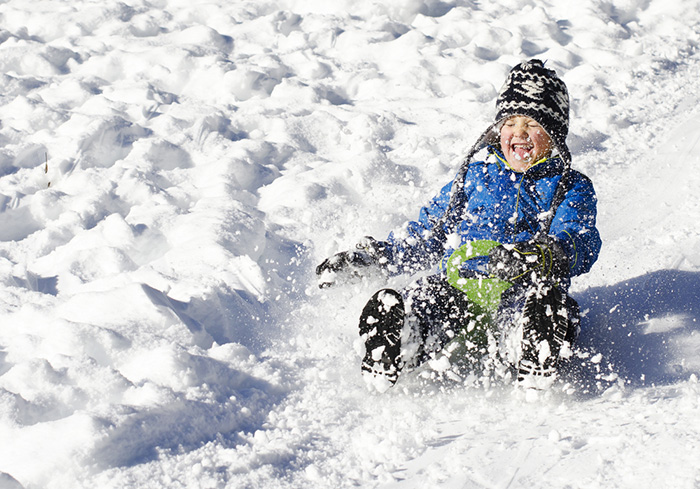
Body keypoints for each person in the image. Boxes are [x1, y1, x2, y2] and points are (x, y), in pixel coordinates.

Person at [316, 60, 601, 391]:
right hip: (458, 286)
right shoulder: (474, 179)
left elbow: (581, 237)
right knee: (425, 295)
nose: (519, 133)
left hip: (521, 288)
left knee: (550, 303)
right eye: (510, 122)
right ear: (498, 130)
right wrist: (374, 256)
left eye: (532, 124)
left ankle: (532, 343)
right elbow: (427, 234)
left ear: (553, 136)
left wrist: (549, 253)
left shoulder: (570, 186)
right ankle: (398, 338)